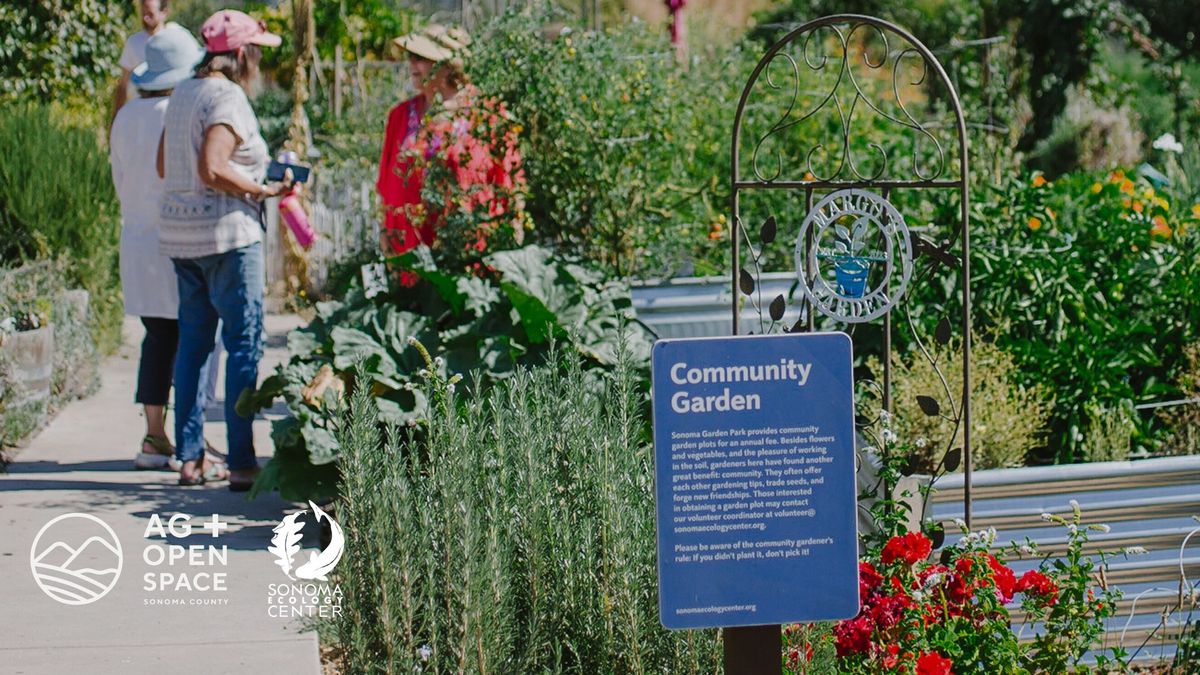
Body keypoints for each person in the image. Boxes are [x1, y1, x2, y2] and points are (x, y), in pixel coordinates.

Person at [157, 9, 289, 489]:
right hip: (227, 240)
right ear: (239, 54)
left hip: (182, 239)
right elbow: (212, 166)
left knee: (193, 347)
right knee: (243, 347)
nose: (258, 61)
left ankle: (190, 457)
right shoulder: (226, 96)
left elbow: (162, 165)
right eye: (255, 51)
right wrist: (259, 189)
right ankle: (240, 460)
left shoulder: (181, 94)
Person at [111, 24, 226, 473]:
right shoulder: (178, 112)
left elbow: (121, 180)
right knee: (193, 339)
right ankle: (190, 441)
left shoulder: (125, 117)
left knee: (157, 337)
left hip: (137, 240)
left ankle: (153, 435)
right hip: (179, 239)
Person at [377, 25, 469, 255]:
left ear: (448, 66)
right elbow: (386, 185)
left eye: (419, 57)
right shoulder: (400, 116)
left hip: (459, 251)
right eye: (410, 57)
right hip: (407, 250)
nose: (411, 64)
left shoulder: (482, 117)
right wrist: (385, 233)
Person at [112, 0, 178, 121]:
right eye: (143, 13)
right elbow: (123, 85)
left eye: (150, 14)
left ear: (164, 12)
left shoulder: (174, 41)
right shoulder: (134, 42)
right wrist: (116, 118)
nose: (146, 18)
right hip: (138, 115)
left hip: (165, 114)